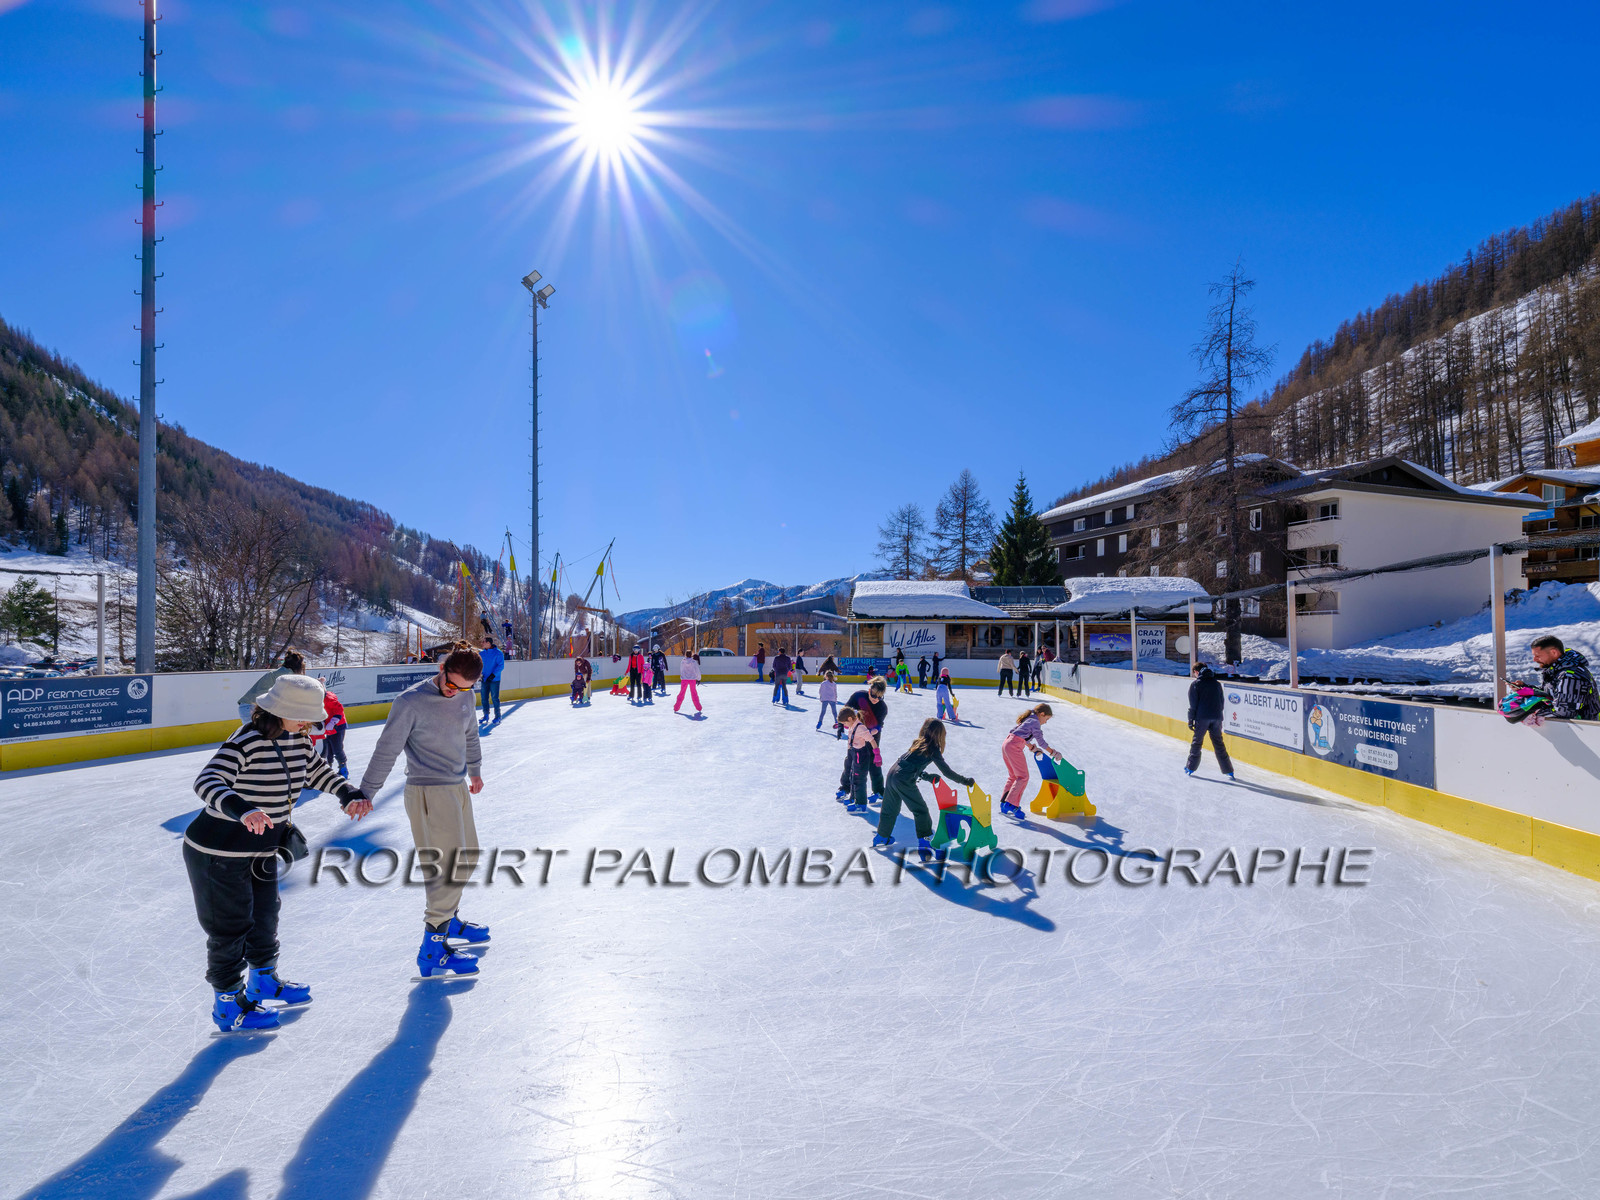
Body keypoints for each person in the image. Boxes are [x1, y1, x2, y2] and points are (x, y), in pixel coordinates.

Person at [186, 675, 370, 1031]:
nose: (307, 722)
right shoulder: (247, 739)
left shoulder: (297, 738)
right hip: (218, 850)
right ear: (280, 709)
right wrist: (243, 810)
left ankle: (263, 981)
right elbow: (207, 781)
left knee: (266, 915)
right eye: (302, 715)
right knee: (230, 927)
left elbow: (316, 772)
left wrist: (346, 792)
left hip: (261, 849)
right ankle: (227, 1003)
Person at [358, 647, 489, 979]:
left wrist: (474, 770)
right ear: (441, 668)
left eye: (465, 688)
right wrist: (366, 792)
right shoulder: (410, 702)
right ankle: (433, 948)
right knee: (448, 866)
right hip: (427, 791)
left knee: (468, 856)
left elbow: (471, 734)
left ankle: (449, 918)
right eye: (451, 685)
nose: (455, 692)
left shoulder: (465, 695)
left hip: (456, 787)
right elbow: (386, 749)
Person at [872, 718, 975, 861]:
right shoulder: (933, 749)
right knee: (921, 811)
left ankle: (882, 837)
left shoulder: (918, 743)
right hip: (904, 779)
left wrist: (926, 776)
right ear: (940, 734)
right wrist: (965, 781)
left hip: (892, 774)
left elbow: (910, 764)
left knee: (890, 808)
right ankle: (925, 843)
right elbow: (947, 772)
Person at [1513, 635, 1600, 720]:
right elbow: (1550, 694)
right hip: (1569, 727)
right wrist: (1525, 688)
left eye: (1538, 656)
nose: (1534, 659)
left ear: (1554, 652)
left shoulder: (1570, 675)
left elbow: (1564, 712)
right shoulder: (1557, 670)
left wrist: (1529, 713)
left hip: (1586, 728)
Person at [999, 702, 1061, 819]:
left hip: (1007, 744)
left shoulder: (1030, 719)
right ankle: (1011, 804)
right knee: (1023, 777)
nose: (1045, 722)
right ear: (1042, 714)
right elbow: (1041, 742)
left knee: (1013, 776)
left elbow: (1021, 736)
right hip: (1014, 746)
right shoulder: (1035, 722)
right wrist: (1053, 752)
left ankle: (1004, 804)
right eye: (1046, 719)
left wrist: (1032, 747)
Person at [837, 677, 888, 800]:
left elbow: (878, 726)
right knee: (850, 760)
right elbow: (845, 712)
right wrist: (840, 726)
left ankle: (879, 790)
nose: (876, 699)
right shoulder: (858, 696)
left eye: (879, 697)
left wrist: (867, 734)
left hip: (871, 736)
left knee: (873, 762)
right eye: (873, 695)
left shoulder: (882, 707)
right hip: (855, 735)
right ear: (869, 690)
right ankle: (845, 787)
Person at [1184, 663, 1234, 778]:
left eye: (1194, 673)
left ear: (1197, 672)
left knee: (1197, 742)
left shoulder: (1196, 684)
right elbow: (1221, 702)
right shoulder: (1217, 684)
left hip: (1202, 718)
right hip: (1216, 717)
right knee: (1219, 743)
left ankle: (1190, 767)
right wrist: (1218, 715)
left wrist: (1191, 719)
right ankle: (1228, 770)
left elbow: (1193, 705)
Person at [236, 648, 305, 725]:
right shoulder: (287, 675)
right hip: (251, 708)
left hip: (248, 707)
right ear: (298, 665)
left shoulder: (282, 672)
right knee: (259, 732)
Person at [839, 706, 877, 813]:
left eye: (845, 723)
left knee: (858, 779)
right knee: (852, 776)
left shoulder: (860, 728)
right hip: (854, 753)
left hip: (861, 755)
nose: (845, 725)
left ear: (850, 719)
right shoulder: (852, 725)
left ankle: (861, 804)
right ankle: (853, 798)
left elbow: (872, 740)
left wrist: (877, 754)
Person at [313, 686, 348, 778]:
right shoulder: (316, 700)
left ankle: (343, 768)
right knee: (328, 749)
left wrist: (333, 722)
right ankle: (329, 768)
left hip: (338, 727)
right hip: (327, 728)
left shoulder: (328, 698)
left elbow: (339, 709)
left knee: (337, 748)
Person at [478, 636, 505, 723]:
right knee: (484, 698)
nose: (482, 643)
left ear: (488, 643)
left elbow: (501, 666)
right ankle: (486, 715)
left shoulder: (498, 653)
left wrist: (493, 675)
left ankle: (498, 716)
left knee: (494, 698)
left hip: (494, 680)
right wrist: (480, 674)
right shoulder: (481, 654)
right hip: (485, 679)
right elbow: (479, 665)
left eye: (483, 642)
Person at [675, 650, 703, 717]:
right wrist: (698, 678)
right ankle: (698, 707)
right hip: (692, 679)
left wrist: (683, 676)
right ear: (691, 654)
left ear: (685, 654)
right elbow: (697, 670)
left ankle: (676, 707)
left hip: (684, 679)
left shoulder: (682, 661)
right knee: (694, 693)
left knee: (681, 693)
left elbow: (681, 670)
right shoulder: (693, 662)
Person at [816, 669, 841, 734]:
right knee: (834, 712)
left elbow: (820, 691)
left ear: (826, 676)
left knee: (823, 712)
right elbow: (835, 692)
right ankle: (837, 722)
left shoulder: (823, 683)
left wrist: (821, 698)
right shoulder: (834, 684)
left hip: (825, 699)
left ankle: (819, 722)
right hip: (832, 699)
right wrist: (835, 699)